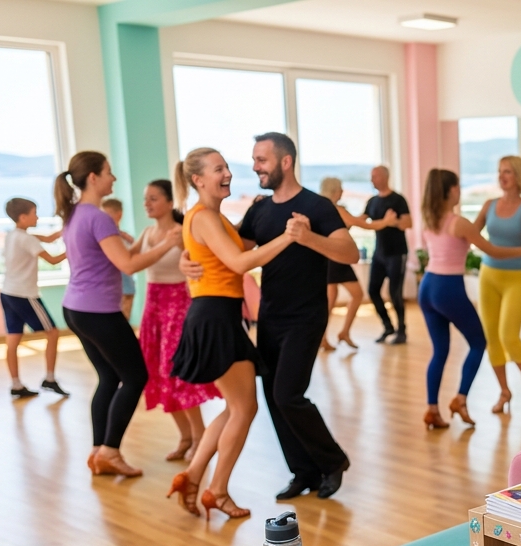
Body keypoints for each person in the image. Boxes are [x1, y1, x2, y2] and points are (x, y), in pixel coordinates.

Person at [184, 132, 360, 500]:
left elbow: (349, 253)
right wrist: (189, 259)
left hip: (306, 317)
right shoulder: (260, 210)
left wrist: (308, 238)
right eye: (253, 160)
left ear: (285, 162)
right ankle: (303, 472)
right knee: (273, 397)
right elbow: (233, 248)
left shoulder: (316, 206)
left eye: (261, 160)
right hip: (269, 316)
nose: (254, 167)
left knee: (287, 394)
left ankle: (332, 461)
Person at [169, 148, 295, 520]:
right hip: (214, 318)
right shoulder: (205, 217)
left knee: (235, 407)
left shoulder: (211, 217)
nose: (227, 174)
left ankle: (193, 476)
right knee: (244, 407)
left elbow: (233, 247)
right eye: (218, 169)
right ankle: (218, 490)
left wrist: (253, 214)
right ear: (197, 180)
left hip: (219, 315)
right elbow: (239, 262)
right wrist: (289, 237)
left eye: (226, 167)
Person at [55, 151, 181, 477]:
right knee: (136, 376)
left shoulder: (74, 214)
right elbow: (128, 265)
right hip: (98, 311)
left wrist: (135, 243)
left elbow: (108, 256)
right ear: (93, 177)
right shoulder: (98, 218)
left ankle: (98, 451)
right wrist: (168, 243)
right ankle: (110, 451)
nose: (113, 178)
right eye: (109, 172)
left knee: (110, 377)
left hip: (75, 308)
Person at [418, 168, 521, 429]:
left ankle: (432, 409)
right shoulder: (458, 223)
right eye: (457, 187)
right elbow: (491, 250)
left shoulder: (429, 220)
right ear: (451, 191)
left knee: (440, 351)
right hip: (447, 288)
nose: (460, 191)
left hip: (427, 287)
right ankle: (460, 399)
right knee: (478, 342)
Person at [135, 179, 218, 462]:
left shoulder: (182, 232)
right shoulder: (147, 232)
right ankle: (185, 437)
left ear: (170, 203)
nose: (147, 203)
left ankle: (199, 436)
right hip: (153, 308)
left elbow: (201, 264)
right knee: (159, 373)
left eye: (153, 198)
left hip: (178, 308)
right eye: (146, 198)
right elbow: (127, 258)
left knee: (179, 374)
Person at [474, 155, 521, 414]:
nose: (502, 176)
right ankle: (504, 391)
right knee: (491, 338)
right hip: (488, 276)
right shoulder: (489, 205)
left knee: (508, 336)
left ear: (519, 176)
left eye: (508, 172)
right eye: (500, 171)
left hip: (515, 278)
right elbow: (471, 233)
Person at [0, 197, 68, 398]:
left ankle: (16, 384)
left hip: (7, 293)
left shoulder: (13, 235)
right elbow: (54, 260)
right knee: (53, 333)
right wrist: (76, 247)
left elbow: (48, 238)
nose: (37, 217)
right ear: (23, 217)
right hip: (24, 295)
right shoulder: (27, 239)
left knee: (13, 339)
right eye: (34, 213)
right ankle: (50, 379)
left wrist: (67, 230)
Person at [363, 165, 412, 345]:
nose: (372, 180)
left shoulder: (398, 200)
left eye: (375, 176)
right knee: (372, 290)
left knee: (394, 293)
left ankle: (402, 330)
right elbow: (361, 220)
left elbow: (408, 223)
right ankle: (387, 326)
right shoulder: (372, 201)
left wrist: (393, 222)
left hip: (396, 253)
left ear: (385, 177)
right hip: (379, 254)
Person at [317, 176, 367, 351]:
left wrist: (364, 216)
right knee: (354, 295)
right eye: (340, 188)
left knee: (331, 301)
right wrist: (387, 222)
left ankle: (329, 336)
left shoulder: (321, 208)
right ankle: (337, 334)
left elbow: (351, 222)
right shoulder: (336, 209)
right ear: (334, 191)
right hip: (336, 259)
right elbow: (359, 223)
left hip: (328, 258)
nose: (342, 192)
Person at [100, 198, 137, 322]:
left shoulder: (125, 238)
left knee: (122, 322)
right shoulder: (104, 238)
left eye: (106, 214)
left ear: (118, 215)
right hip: (108, 289)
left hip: (125, 288)